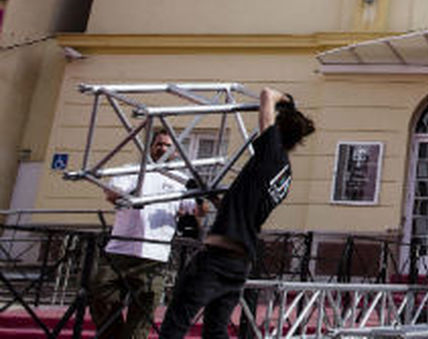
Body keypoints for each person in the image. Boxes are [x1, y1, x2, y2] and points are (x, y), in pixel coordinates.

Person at [159, 88, 315, 339]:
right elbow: (248, 208)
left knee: (176, 321)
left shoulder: (271, 154)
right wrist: (220, 201)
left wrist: (284, 99)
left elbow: (267, 94)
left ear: (278, 132)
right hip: (239, 263)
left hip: (217, 259)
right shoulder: (284, 174)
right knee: (216, 330)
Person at [89, 129, 195, 339]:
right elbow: (112, 194)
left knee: (143, 313)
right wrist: (134, 193)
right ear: (150, 147)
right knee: (99, 293)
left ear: (175, 151)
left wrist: (202, 198)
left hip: (154, 256)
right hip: (120, 249)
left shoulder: (181, 180)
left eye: (168, 145)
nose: (163, 148)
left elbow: (195, 210)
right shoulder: (133, 170)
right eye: (159, 144)